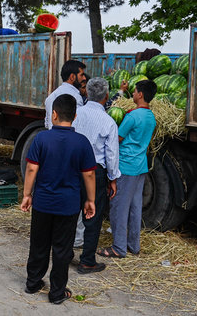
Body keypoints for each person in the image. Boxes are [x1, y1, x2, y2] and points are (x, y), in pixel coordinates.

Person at [21, 94, 97, 304]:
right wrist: (90, 200)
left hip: (43, 203)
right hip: (68, 206)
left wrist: (27, 194)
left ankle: (33, 283)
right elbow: (89, 174)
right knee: (63, 250)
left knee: (39, 244)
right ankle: (56, 293)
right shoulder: (82, 142)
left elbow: (31, 168)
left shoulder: (42, 138)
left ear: (53, 114)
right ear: (74, 117)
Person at [98, 79, 157, 258]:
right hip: (140, 167)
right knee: (135, 207)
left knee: (118, 207)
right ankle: (133, 245)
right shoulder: (151, 116)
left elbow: (118, 137)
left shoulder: (132, 116)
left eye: (134, 91)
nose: (132, 94)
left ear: (140, 94)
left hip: (126, 166)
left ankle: (118, 247)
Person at [72, 77, 120, 273]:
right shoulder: (109, 122)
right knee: (93, 216)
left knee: (70, 213)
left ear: (87, 93)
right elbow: (111, 154)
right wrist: (113, 179)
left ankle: (65, 253)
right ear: (106, 96)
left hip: (73, 169)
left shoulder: (75, 114)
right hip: (95, 173)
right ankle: (87, 261)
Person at [44, 60, 86, 129]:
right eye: (81, 75)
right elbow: (78, 125)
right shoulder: (76, 97)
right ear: (72, 77)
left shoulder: (50, 97)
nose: (84, 78)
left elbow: (47, 124)